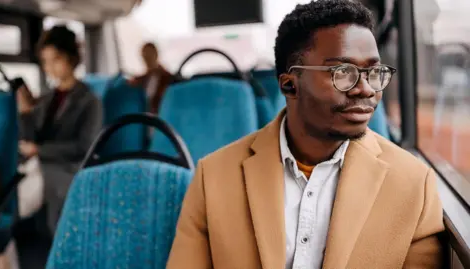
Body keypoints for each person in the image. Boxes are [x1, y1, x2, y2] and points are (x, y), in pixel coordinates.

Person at [166, 1, 444, 269]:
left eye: (374, 72)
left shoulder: (414, 185)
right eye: (343, 72)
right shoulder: (213, 177)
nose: (366, 89)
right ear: (290, 85)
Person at [18, 25, 102, 234]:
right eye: (45, 61)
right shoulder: (46, 99)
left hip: (69, 168)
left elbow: (84, 147)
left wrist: (38, 150)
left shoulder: (90, 101)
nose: (49, 67)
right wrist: (26, 113)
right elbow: (33, 136)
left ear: (71, 58)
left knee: (20, 193)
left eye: (55, 60)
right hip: (41, 164)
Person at [128, 42, 173, 114]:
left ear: (156, 54)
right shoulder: (141, 79)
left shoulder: (168, 78)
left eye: (149, 55)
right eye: (145, 56)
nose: (147, 60)